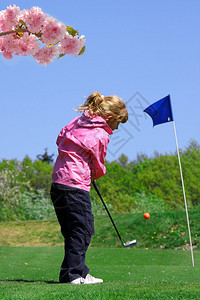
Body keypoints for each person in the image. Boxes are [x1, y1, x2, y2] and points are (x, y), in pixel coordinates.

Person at [50, 91, 128, 284]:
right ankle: (72, 275)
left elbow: (60, 139)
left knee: (72, 231)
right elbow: (99, 165)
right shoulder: (100, 134)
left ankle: (80, 272)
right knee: (82, 230)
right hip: (76, 186)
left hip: (58, 183)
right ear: (110, 118)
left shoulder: (76, 122)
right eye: (117, 123)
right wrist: (92, 173)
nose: (116, 128)